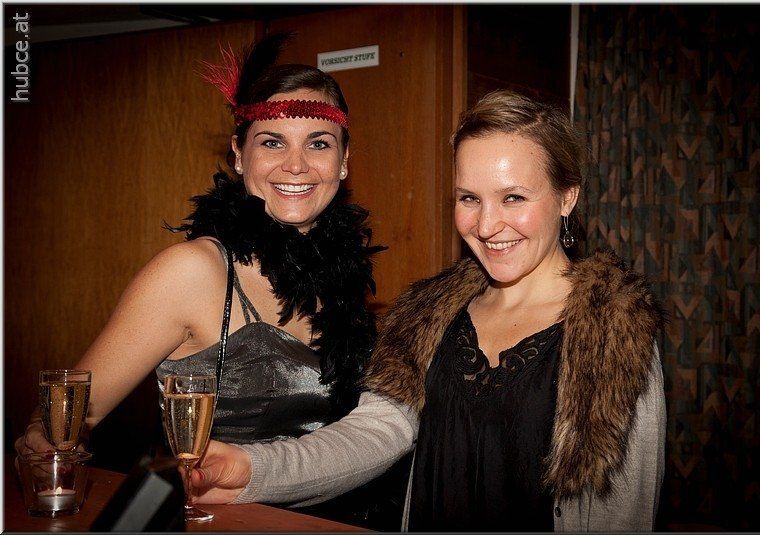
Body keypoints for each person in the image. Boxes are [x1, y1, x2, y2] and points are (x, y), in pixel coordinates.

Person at [190, 90, 667, 532]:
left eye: (514, 197)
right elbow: (373, 433)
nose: (486, 225)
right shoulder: (428, 316)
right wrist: (250, 467)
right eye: (469, 199)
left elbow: (622, 512)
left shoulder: (613, 334)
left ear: (567, 196)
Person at [14, 36, 401, 527]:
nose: (296, 164)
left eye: (318, 143)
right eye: (272, 142)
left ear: (343, 161)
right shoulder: (192, 271)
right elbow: (62, 420)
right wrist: (51, 472)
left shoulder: (340, 280)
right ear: (239, 155)